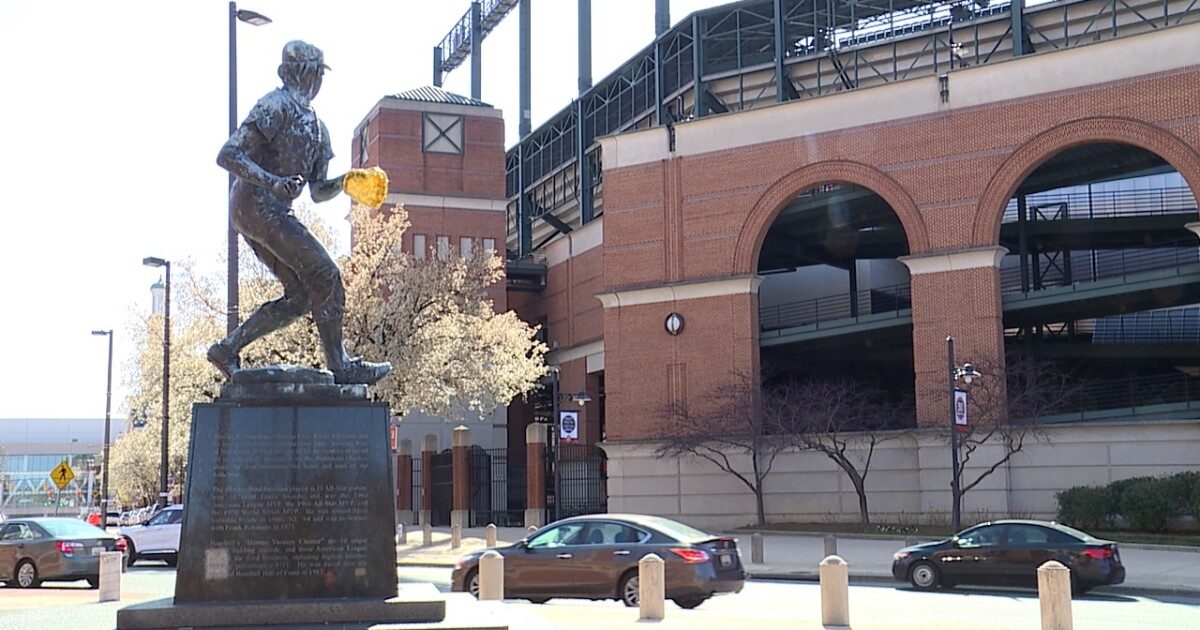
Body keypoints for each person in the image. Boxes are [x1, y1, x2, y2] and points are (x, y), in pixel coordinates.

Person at [209, 40, 390, 385]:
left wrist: (348, 182)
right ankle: (341, 366)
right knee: (326, 275)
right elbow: (228, 154)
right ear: (291, 72)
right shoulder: (275, 105)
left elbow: (318, 191)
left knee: (301, 297)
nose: (313, 78)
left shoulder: (318, 129)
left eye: (317, 72)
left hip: (267, 210)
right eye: (309, 71)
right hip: (256, 204)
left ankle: (227, 349)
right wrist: (273, 182)